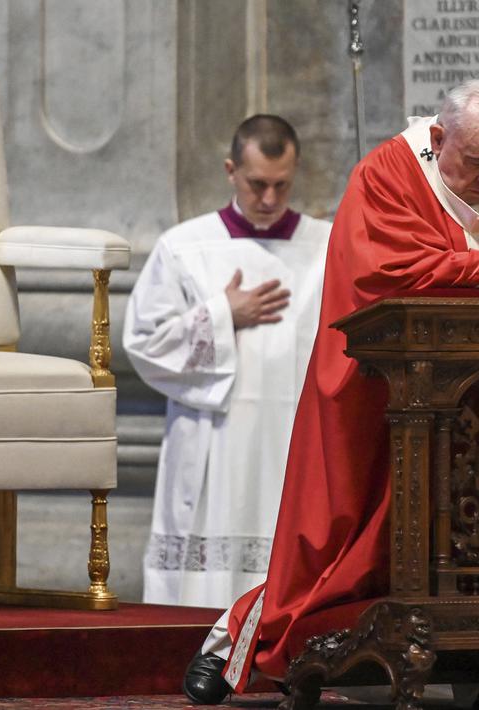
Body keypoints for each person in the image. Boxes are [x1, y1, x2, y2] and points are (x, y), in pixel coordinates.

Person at [182, 80, 479, 705]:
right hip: (389, 401)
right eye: (474, 163)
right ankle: (237, 640)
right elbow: (387, 271)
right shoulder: (386, 175)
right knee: (352, 552)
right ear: (440, 141)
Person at [124, 115, 331, 609]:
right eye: (257, 183)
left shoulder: (328, 246)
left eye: (282, 185)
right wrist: (221, 315)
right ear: (230, 170)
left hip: (293, 438)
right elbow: (143, 342)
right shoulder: (184, 246)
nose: (269, 199)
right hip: (213, 439)